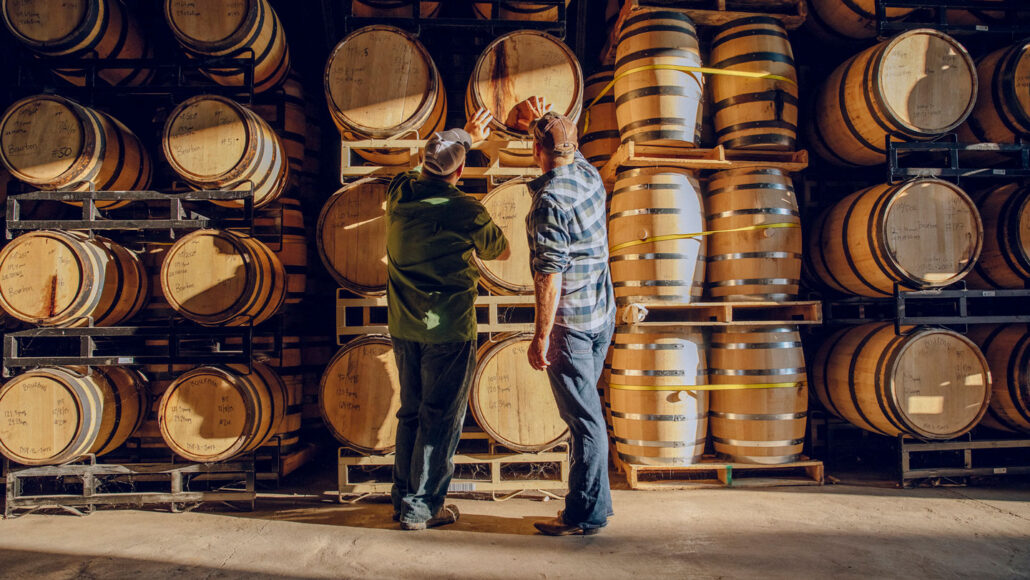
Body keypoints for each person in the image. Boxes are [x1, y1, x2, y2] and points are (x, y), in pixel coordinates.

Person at [386, 108, 510, 531]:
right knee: (439, 419)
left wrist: (463, 137)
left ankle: (402, 499)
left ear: (424, 163)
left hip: (404, 326)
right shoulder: (467, 210)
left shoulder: (400, 193)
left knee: (410, 413)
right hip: (449, 330)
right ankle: (422, 508)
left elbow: (415, 168)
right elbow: (500, 251)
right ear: (460, 171)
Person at [516, 99, 616, 536]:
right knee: (586, 415)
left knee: (585, 421)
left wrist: (541, 337)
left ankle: (584, 515)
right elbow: (562, 146)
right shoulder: (589, 175)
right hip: (601, 316)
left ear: (537, 152)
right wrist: (546, 118)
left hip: (570, 327)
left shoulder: (549, 202)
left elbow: (549, 277)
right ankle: (593, 504)